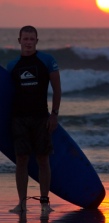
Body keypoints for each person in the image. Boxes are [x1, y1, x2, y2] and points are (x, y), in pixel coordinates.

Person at [7, 26, 61, 212]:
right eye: (25, 38)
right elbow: (7, 95)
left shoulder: (46, 61)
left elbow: (57, 89)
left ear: (36, 41)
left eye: (32, 39)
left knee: (42, 159)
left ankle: (45, 203)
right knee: (21, 159)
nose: (28, 42)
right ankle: (22, 203)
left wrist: (54, 114)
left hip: (40, 117)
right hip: (18, 118)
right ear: (19, 40)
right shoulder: (12, 66)